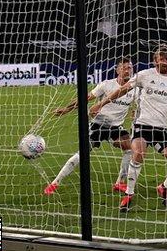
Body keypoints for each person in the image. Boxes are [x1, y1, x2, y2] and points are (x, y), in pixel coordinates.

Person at [90, 45, 167, 212]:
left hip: (161, 129)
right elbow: (122, 90)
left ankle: (165, 186)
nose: (164, 61)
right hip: (141, 125)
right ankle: (129, 194)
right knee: (138, 154)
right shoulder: (144, 75)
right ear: (155, 60)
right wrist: (100, 104)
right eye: (161, 58)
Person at [44, 57, 136, 195]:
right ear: (117, 70)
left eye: (130, 67)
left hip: (116, 127)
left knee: (130, 149)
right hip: (97, 126)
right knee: (82, 154)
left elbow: (137, 107)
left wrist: (135, 114)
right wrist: (66, 109)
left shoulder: (134, 89)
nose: (127, 70)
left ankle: (119, 183)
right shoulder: (106, 85)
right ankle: (54, 183)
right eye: (124, 67)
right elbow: (85, 98)